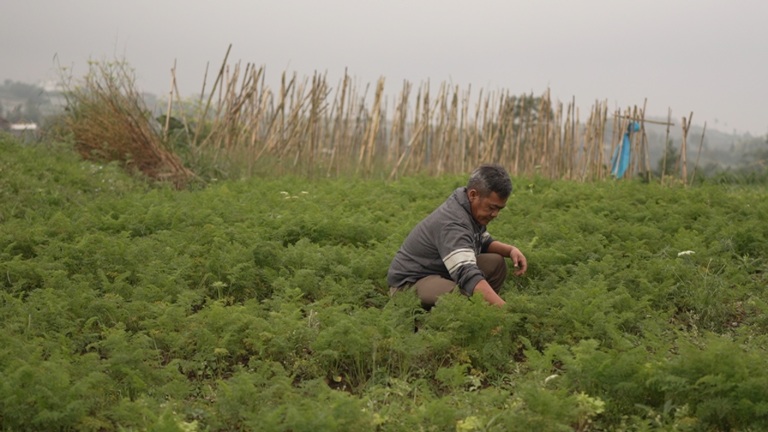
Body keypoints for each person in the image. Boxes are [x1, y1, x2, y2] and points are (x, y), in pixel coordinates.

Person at [387, 164, 527, 309]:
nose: (495, 214)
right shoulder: (453, 222)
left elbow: (484, 242)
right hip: (410, 283)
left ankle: (484, 314)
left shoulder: (469, 208)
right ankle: (432, 323)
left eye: (499, 209)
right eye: (492, 207)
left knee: (496, 262)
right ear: (473, 195)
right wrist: (504, 308)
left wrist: (511, 250)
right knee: (457, 297)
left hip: (442, 269)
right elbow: (467, 274)